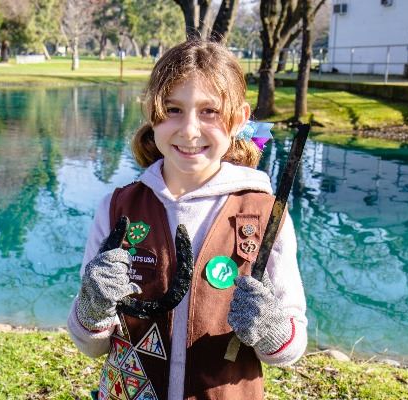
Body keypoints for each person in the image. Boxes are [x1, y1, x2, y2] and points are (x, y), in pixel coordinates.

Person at [67, 40, 307, 400]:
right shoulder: (116, 208)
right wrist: (92, 306)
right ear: (152, 112)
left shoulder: (265, 215)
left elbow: (290, 348)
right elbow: (91, 345)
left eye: (209, 111)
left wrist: (271, 329)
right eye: (174, 109)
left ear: (239, 119)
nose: (190, 130)